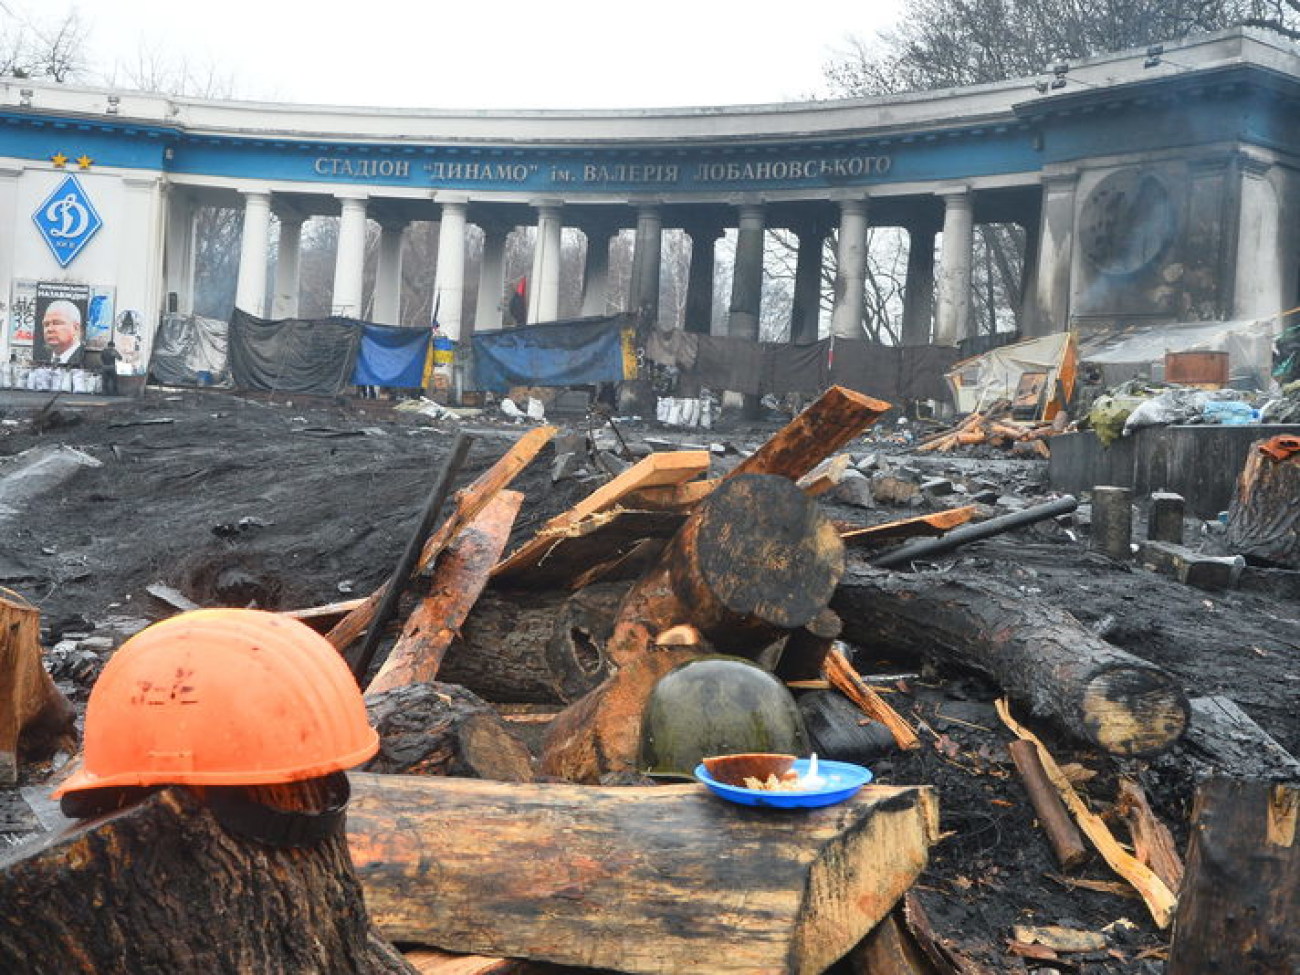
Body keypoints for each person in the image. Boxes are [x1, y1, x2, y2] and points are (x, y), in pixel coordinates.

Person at [40, 300, 85, 366]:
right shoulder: (42, 358)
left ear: (76, 328)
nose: (49, 329)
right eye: (46, 324)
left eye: (57, 323)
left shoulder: (87, 359)